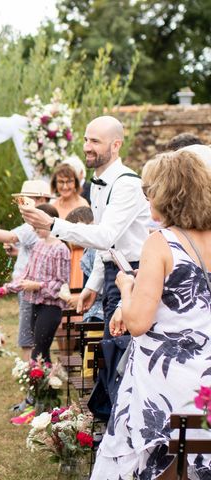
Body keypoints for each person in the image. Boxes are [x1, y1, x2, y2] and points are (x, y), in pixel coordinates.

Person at [92, 149, 211, 479]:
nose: (147, 200)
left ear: (168, 194)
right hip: (206, 385)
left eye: (150, 192)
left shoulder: (161, 243)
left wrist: (126, 287)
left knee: (162, 461)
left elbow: (138, 322)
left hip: (167, 381)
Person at [19, 116, 150, 337]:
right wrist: (93, 286)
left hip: (133, 277)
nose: (86, 147)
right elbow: (106, 248)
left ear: (116, 145)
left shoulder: (127, 184)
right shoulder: (98, 184)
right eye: (86, 140)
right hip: (111, 276)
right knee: (111, 354)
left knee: (122, 354)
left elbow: (105, 237)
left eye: (95, 142)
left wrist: (52, 224)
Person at [0, 179, 53, 360]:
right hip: (31, 286)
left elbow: (11, 236)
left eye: (26, 200)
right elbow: (36, 252)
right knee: (33, 330)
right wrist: (17, 252)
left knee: (27, 333)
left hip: (29, 287)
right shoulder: (42, 224)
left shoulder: (34, 224)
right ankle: (35, 371)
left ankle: (30, 372)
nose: (22, 205)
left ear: (41, 200)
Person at [0, 204, 70, 363]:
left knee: (38, 352)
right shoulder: (38, 245)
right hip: (35, 303)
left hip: (51, 307)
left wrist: (38, 286)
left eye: (36, 225)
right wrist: (5, 289)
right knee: (42, 351)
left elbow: (61, 284)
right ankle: (45, 386)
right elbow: (26, 274)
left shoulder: (61, 249)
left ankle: (38, 383)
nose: (33, 229)